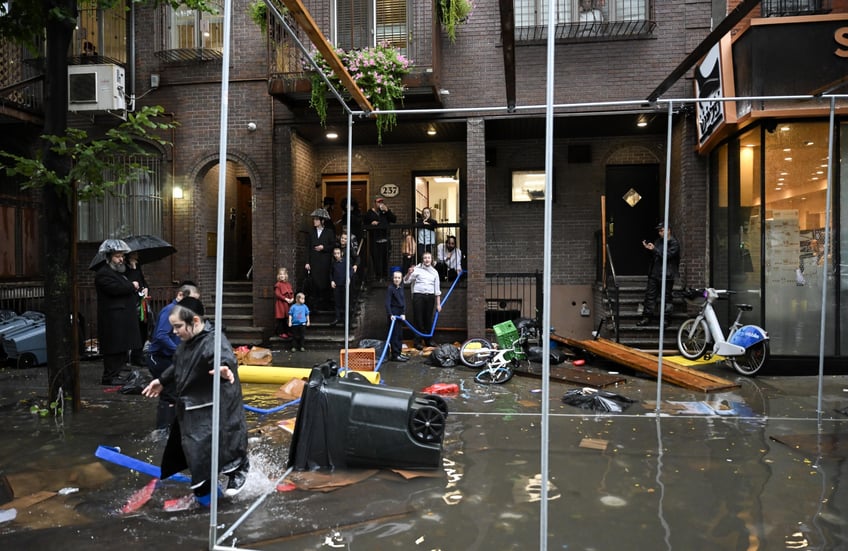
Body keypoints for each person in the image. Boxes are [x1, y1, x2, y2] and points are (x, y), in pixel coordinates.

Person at [141, 297, 250, 506]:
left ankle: (238, 469)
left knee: (224, 442)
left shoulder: (214, 340)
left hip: (217, 405)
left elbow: (223, 356)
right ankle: (205, 489)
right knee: (195, 451)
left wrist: (224, 368)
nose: (174, 332)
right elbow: (178, 365)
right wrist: (162, 380)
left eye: (178, 327)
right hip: (193, 407)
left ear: (196, 321)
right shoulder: (185, 344)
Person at [145, 282, 201, 431]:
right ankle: (163, 430)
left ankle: (172, 426)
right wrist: (178, 350)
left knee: (175, 392)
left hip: (171, 357)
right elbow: (161, 336)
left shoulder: (183, 312)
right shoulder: (170, 311)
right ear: (180, 295)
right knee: (168, 393)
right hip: (159, 357)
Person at [94, 239, 143, 385]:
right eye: (117, 256)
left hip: (122, 317)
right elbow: (115, 289)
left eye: (122, 256)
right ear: (109, 257)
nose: (121, 259)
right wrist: (131, 286)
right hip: (112, 318)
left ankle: (117, 373)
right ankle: (110, 376)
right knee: (113, 348)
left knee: (121, 347)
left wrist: (133, 271)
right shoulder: (103, 273)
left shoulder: (119, 272)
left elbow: (133, 282)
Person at [637, 222, 681, 326]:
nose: (660, 233)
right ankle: (647, 317)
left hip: (667, 274)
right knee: (650, 296)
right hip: (655, 273)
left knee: (666, 297)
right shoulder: (658, 241)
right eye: (659, 231)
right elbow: (655, 256)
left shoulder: (674, 243)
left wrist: (655, 250)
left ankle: (666, 319)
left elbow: (667, 256)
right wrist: (649, 249)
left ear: (668, 230)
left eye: (662, 230)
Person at [404, 251, 441, 350]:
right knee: (418, 319)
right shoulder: (416, 269)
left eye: (429, 258)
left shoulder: (434, 272)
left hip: (430, 297)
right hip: (418, 296)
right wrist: (409, 273)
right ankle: (417, 341)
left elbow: (437, 290)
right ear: (422, 259)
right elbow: (406, 281)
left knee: (428, 319)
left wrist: (438, 304)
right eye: (425, 258)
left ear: (431, 259)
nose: (427, 260)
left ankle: (428, 340)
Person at [305, 208, 336, 311]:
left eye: (317, 219)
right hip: (314, 261)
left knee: (324, 281)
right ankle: (315, 305)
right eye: (314, 219)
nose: (314, 221)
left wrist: (324, 247)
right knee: (314, 282)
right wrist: (307, 262)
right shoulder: (311, 232)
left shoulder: (329, 232)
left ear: (322, 221)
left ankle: (325, 303)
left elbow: (333, 245)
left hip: (325, 261)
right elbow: (308, 247)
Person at [124, 251, 150, 367]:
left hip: (140, 302)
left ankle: (137, 355)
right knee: (131, 329)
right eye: (135, 254)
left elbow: (142, 281)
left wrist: (146, 288)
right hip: (130, 303)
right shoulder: (123, 268)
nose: (138, 256)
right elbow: (131, 282)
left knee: (143, 328)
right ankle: (126, 358)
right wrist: (133, 268)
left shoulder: (138, 266)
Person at [363, 196, 396, 281]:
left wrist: (387, 211)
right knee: (376, 259)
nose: (380, 204)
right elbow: (364, 224)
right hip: (375, 240)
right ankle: (378, 277)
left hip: (385, 239)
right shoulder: (369, 213)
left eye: (381, 202)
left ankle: (385, 277)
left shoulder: (385, 212)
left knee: (385, 259)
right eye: (378, 202)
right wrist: (371, 224)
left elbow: (394, 219)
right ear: (374, 203)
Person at [385, 269, 409, 362]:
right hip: (394, 314)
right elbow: (387, 302)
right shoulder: (390, 288)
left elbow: (403, 302)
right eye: (395, 277)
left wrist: (403, 313)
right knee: (394, 335)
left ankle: (399, 352)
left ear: (401, 279)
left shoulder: (401, 287)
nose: (397, 279)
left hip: (400, 314)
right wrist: (390, 314)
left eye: (399, 278)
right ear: (392, 278)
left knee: (399, 334)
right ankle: (395, 355)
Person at [329, 246, 354, 327]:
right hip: (336, 285)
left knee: (345, 302)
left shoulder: (346, 261)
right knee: (337, 302)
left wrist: (349, 278)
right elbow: (330, 273)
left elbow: (351, 270)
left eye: (338, 253)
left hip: (345, 285)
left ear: (341, 254)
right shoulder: (333, 263)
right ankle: (337, 318)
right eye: (335, 254)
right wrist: (332, 281)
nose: (336, 255)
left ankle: (346, 320)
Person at [274, 267, 294, 339]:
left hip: (288, 304)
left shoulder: (288, 284)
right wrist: (286, 299)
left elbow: (291, 292)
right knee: (281, 319)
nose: (282, 275)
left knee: (287, 318)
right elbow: (278, 294)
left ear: (286, 275)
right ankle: (281, 332)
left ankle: (288, 331)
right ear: (278, 276)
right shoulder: (278, 284)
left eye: (283, 274)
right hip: (281, 304)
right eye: (280, 274)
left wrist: (292, 299)